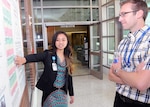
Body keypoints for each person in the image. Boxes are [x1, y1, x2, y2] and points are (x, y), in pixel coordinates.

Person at [15, 31, 74, 107]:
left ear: (67, 42)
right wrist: (24, 59)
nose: (60, 42)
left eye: (63, 40)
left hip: (62, 93)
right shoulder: (48, 54)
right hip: (50, 92)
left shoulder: (68, 57)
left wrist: (71, 94)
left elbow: (69, 77)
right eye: (58, 40)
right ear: (54, 42)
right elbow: (36, 57)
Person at [108, 0, 150, 107]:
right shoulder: (122, 43)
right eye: (119, 15)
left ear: (139, 14)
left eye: (124, 14)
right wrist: (134, 77)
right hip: (119, 99)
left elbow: (141, 84)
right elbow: (110, 75)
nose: (120, 19)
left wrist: (118, 71)